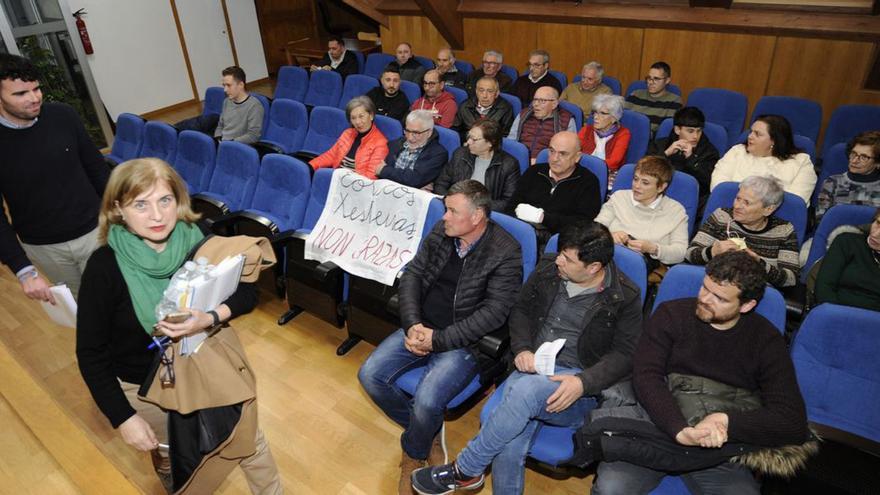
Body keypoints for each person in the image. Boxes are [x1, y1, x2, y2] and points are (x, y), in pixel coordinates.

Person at [76, 158, 282, 493]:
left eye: (164, 200)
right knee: (176, 457)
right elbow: (90, 353)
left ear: (179, 201)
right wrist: (123, 418)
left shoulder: (198, 237)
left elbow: (247, 292)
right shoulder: (104, 268)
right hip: (145, 386)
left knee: (249, 441)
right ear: (118, 209)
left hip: (208, 362)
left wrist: (211, 317)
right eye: (140, 204)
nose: (157, 216)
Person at [411, 220, 643, 495]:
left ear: (593, 268)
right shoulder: (548, 269)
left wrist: (583, 382)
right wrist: (522, 348)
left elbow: (625, 354)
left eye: (567, 260)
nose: (558, 261)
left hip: (578, 386)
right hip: (532, 366)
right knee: (509, 437)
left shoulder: (624, 296)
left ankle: (465, 470)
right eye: (560, 253)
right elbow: (519, 309)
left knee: (521, 394)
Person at [591, 250, 809, 495]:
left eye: (720, 298)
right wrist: (679, 429)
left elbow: (793, 421)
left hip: (716, 443)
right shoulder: (671, 314)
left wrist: (725, 420)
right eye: (705, 288)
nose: (705, 299)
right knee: (610, 489)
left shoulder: (766, 339)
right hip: (657, 424)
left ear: (747, 305)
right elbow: (646, 376)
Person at [358, 180, 523, 495]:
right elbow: (413, 274)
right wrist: (411, 324)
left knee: (428, 399)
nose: (444, 216)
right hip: (422, 325)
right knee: (369, 375)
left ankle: (414, 452)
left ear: (476, 217)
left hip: (462, 342)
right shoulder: (442, 232)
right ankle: (426, 432)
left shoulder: (506, 251)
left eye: (452, 210)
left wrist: (438, 340)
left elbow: (494, 314)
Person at [0, 53, 108, 301]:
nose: (34, 98)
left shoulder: (63, 116)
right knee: (84, 306)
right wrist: (23, 270)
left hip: (96, 230)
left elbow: (97, 169)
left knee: (115, 296)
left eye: (36, 89)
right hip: (45, 248)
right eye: (20, 94)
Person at [686, 176, 799, 288]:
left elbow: (791, 279)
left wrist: (758, 263)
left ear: (768, 209)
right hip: (714, 283)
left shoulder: (784, 231)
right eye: (738, 198)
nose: (737, 206)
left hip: (754, 292)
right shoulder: (722, 216)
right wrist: (712, 252)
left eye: (747, 203)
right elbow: (689, 254)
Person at [508, 131, 602, 244]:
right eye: (551, 151)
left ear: (577, 157)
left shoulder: (588, 182)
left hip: (559, 242)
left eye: (563, 154)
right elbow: (511, 206)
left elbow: (583, 224)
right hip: (521, 233)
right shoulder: (534, 172)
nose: (554, 158)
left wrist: (543, 217)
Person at [596, 156, 689, 267]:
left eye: (645, 183)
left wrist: (653, 249)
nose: (637, 186)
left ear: (661, 187)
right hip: (608, 259)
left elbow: (680, 252)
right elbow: (595, 229)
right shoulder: (619, 197)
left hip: (645, 267)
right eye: (635, 179)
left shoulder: (676, 211)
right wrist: (610, 235)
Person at [711, 114, 816, 205]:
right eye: (751, 132)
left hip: (776, 220)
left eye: (757, 134)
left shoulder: (801, 162)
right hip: (729, 209)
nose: (750, 137)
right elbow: (718, 187)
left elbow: (796, 202)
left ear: (774, 141)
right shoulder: (737, 151)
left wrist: (754, 207)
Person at [434, 120, 520, 211]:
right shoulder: (460, 154)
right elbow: (441, 184)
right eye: (469, 137)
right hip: (453, 208)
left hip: (483, 213)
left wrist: (476, 208)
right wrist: (453, 202)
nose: (468, 142)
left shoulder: (509, 164)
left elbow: (508, 201)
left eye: (474, 139)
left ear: (490, 143)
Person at [649, 106, 720, 207]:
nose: (695, 136)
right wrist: (665, 154)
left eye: (699, 131)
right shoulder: (661, 144)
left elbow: (707, 183)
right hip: (656, 196)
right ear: (677, 130)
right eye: (690, 131)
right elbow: (644, 171)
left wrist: (691, 158)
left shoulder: (710, 152)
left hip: (688, 201)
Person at [814, 207, 880, 311]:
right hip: (835, 313)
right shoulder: (846, 243)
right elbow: (824, 288)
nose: (875, 234)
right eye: (878, 223)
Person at [310, 96, 389, 179]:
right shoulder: (347, 133)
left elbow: (370, 178)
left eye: (361, 116)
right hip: (336, 179)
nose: (358, 122)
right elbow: (330, 156)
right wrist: (310, 167)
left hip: (355, 187)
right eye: (353, 118)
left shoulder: (381, 143)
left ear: (371, 115)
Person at [816, 131, 880, 224]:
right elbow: (821, 222)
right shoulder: (832, 183)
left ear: (877, 163)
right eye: (853, 153)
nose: (854, 160)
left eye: (864, 157)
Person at [376, 110, 448, 188]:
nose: (410, 137)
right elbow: (379, 169)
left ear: (429, 133)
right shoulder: (396, 143)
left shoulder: (438, 154)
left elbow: (414, 179)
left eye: (416, 133)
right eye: (407, 131)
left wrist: (385, 170)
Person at [508, 86, 577, 163]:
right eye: (535, 100)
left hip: (548, 163)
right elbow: (511, 140)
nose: (536, 104)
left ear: (554, 104)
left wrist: (539, 161)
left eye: (542, 101)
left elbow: (568, 150)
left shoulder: (567, 120)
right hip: (518, 159)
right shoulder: (523, 114)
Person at [579, 94, 630, 187]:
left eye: (602, 113)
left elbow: (614, 162)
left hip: (609, 173)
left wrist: (588, 164)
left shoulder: (623, 134)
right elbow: (574, 151)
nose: (595, 117)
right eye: (595, 112)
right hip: (582, 170)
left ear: (614, 118)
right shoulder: (586, 130)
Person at [624, 61, 682, 136]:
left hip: (650, 142)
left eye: (656, 79)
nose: (651, 82)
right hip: (625, 135)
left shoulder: (674, 101)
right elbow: (622, 118)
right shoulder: (635, 94)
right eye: (649, 78)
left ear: (667, 80)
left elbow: (665, 132)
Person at [452, 76, 515, 142]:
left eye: (490, 91)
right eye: (481, 90)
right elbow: (456, 130)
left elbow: (505, 136)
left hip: (491, 147)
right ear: (476, 91)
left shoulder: (505, 109)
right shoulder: (465, 106)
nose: (484, 96)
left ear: (496, 93)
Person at [214, 66, 264, 144]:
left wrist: (231, 143)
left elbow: (253, 135)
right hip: (223, 143)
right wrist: (218, 138)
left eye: (229, 85)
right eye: (224, 85)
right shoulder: (226, 101)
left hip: (237, 146)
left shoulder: (254, 105)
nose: (225, 90)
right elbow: (220, 125)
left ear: (241, 85)